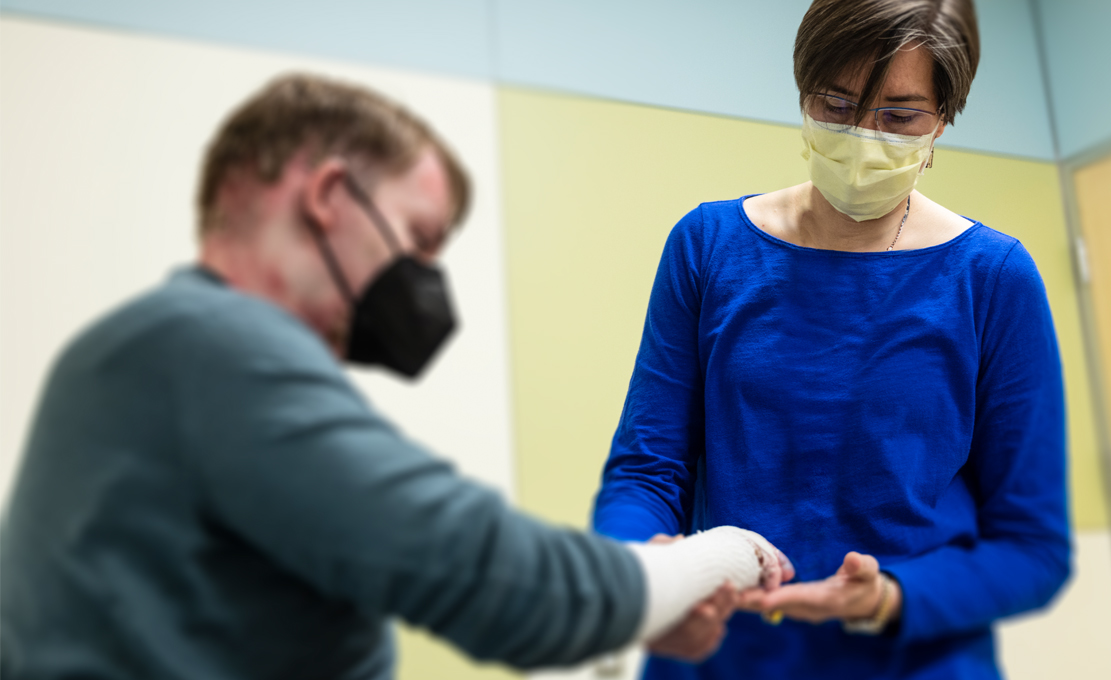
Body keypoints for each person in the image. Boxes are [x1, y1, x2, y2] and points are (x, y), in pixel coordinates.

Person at [0, 74, 794, 679]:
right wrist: (724, 553)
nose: (422, 286)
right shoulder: (213, 347)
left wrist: (645, 605)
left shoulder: (138, 354)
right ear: (327, 196)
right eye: (416, 243)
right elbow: (512, 588)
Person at [591, 0, 1071, 677]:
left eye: (899, 115)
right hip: (723, 656)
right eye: (837, 104)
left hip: (912, 659)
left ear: (943, 119)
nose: (862, 137)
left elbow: (1032, 548)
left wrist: (886, 599)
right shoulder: (709, 247)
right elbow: (647, 469)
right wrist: (639, 566)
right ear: (803, 94)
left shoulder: (992, 278)